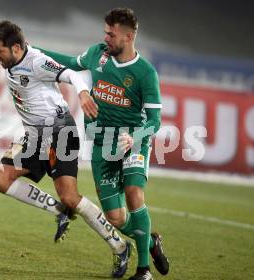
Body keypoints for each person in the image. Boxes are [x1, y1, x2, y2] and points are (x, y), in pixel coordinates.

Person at [0, 17, 132, 278]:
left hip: (61, 132)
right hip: (36, 137)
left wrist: (83, 93)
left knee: (71, 196)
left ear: (16, 48)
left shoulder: (37, 62)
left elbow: (72, 74)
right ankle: (58, 211)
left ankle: (120, 247)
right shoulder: (11, 52)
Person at [37, 8, 169, 280]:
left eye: (112, 34)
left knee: (134, 193)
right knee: (116, 219)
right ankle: (150, 242)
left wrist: (136, 137)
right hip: (101, 143)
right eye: (105, 32)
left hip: (132, 141)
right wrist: (30, 51)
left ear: (129, 36)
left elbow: (155, 121)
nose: (106, 37)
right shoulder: (98, 54)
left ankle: (143, 271)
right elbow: (69, 63)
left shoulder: (145, 73)